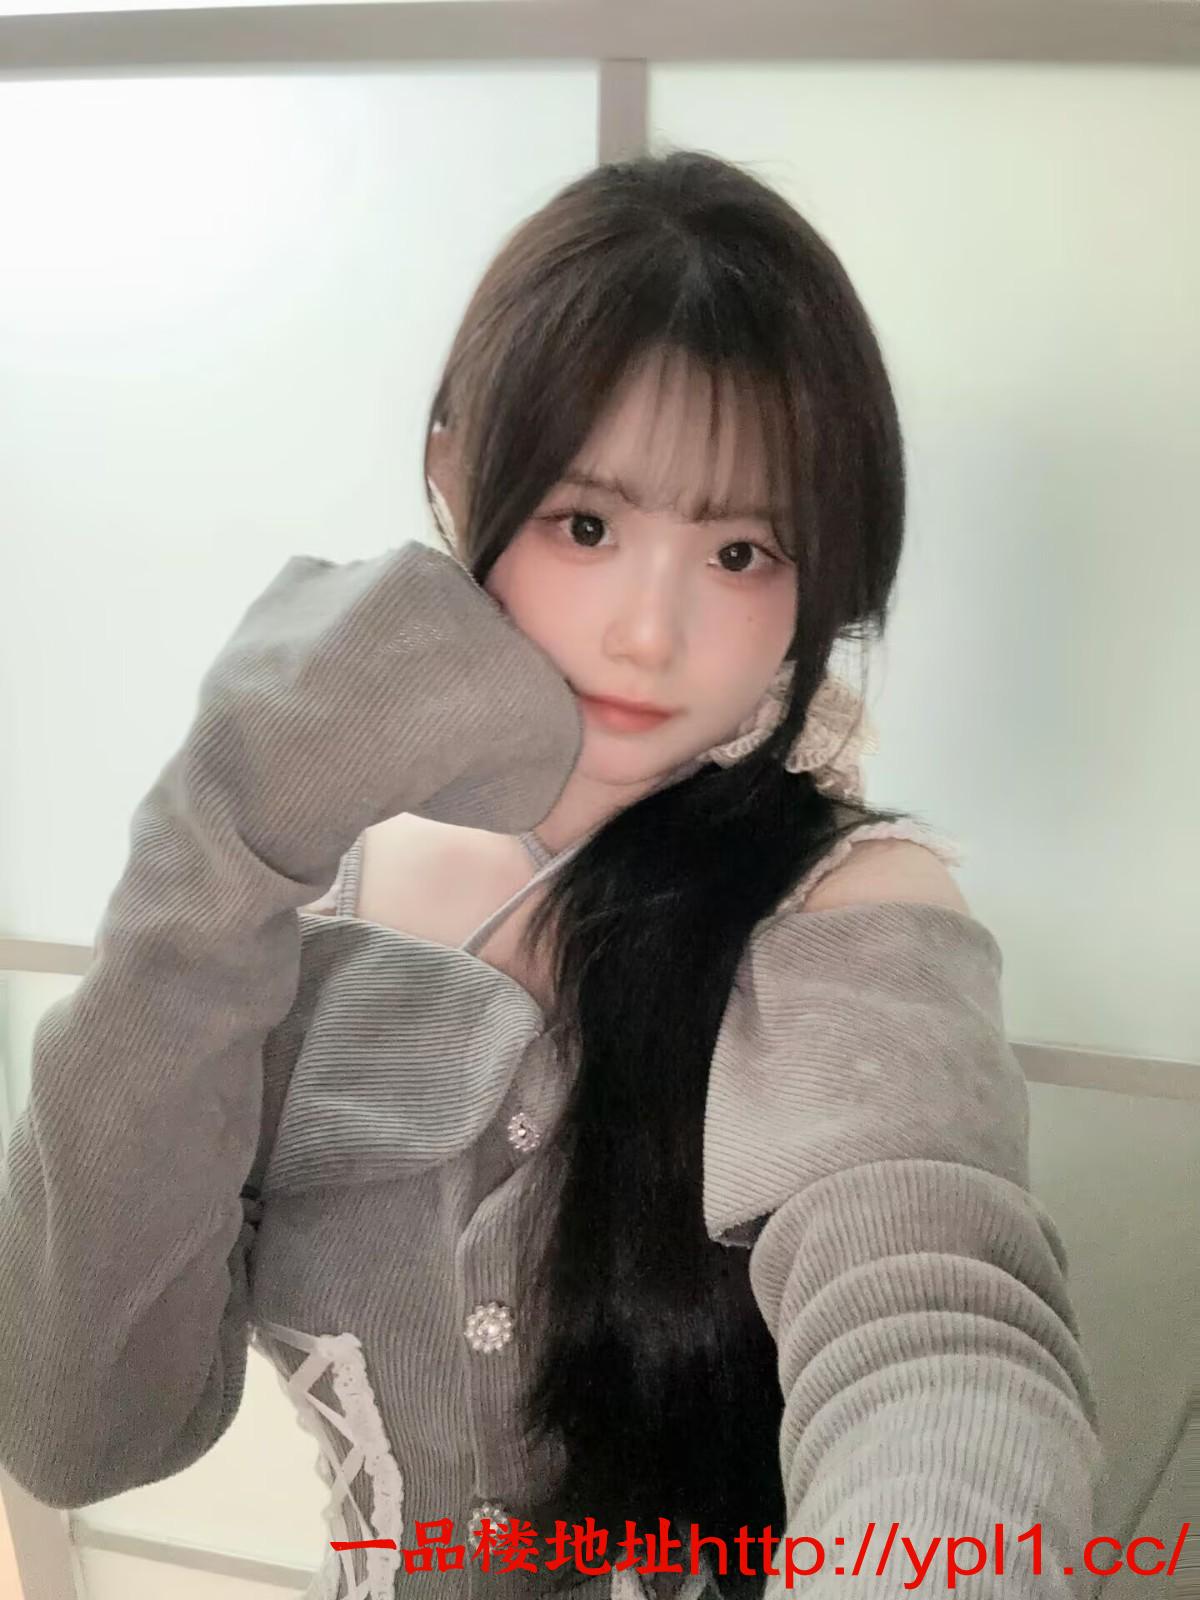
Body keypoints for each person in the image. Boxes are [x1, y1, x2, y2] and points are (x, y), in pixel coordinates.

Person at [0, 149, 1102, 1600]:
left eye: (742, 551)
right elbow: (78, 1423)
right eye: (587, 525)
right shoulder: (292, 910)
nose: (650, 632)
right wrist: (218, 835)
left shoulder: (847, 913)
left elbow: (936, 1338)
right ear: (457, 472)